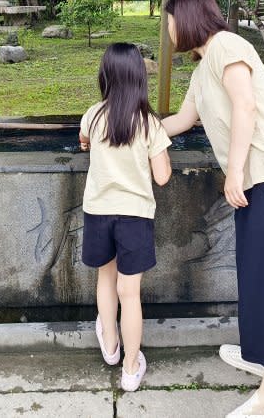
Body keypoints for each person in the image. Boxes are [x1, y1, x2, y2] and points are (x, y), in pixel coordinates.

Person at [160, 0, 264, 418]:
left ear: (190, 17)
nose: (168, 28)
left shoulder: (228, 46)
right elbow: (180, 121)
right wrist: (130, 131)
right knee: (259, 276)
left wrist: (234, 172)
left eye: (170, 19)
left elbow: (245, 107)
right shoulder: (201, 67)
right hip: (263, 183)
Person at [79, 42, 172, 392]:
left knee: (106, 279)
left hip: (99, 212)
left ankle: (111, 346)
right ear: (139, 78)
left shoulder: (93, 114)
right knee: (129, 293)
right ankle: (131, 369)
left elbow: (84, 140)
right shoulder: (149, 123)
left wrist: (89, 145)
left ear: (105, 77)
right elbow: (162, 176)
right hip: (134, 216)